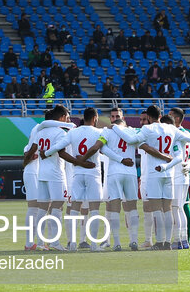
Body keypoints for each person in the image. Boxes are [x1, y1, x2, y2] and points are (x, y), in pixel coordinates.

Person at [114, 106, 182, 249]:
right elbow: (189, 137)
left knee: (156, 209)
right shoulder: (171, 129)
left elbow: (131, 140)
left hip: (153, 172)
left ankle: (158, 242)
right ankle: (168, 242)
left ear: (150, 118)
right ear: (160, 115)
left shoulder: (148, 129)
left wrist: (115, 128)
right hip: (168, 172)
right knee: (168, 209)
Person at [76, 107, 140, 251]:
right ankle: (134, 240)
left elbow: (101, 148)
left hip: (114, 172)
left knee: (114, 208)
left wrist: (119, 159)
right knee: (132, 207)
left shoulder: (107, 131)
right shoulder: (132, 130)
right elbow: (139, 143)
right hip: (130, 172)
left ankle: (116, 242)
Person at [21, 108, 76, 250]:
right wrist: (80, 162)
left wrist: (28, 159)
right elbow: (61, 152)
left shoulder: (40, 131)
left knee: (42, 209)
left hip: (42, 173)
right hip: (55, 173)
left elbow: (31, 149)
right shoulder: (60, 133)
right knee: (57, 207)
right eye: (67, 118)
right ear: (62, 118)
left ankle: (40, 242)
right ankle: (54, 242)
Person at [63, 107, 105, 251]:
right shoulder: (100, 132)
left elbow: (59, 149)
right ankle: (93, 244)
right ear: (94, 118)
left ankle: (73, 243)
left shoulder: (73, 132)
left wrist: (79, 162)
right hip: (93, 173)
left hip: (77, 173)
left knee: (74, 208)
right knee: (94, 209)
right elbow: (107, 151)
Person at [167, 106, 190, 249]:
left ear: (176, 119)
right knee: (181, 207)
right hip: (184, 175)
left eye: (170, 115)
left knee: (177, 208)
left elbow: (185, 156)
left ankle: (179, 240)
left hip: (176, 175)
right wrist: (189, 166)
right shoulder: (186, 133)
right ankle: (184, 240)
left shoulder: (175, 134)